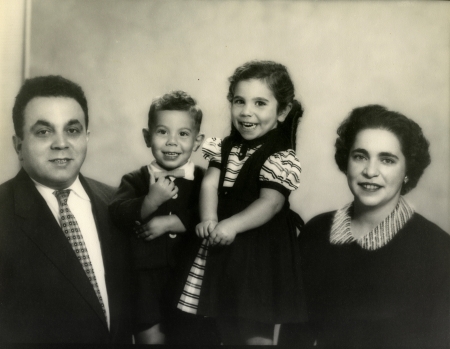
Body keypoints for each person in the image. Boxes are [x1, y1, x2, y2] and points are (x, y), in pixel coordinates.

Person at [177, 60, 307, 345]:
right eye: (239, 101)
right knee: (224, 320)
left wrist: (233, 225)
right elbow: (210, 182)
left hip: (257, 247)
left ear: (282, 111)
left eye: (260, 103)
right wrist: (209, 218)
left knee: (253, 326)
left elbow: (270, 203)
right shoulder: (224, 147)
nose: (247, 112)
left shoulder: (280, 157)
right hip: (225, 244)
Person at [299, 105, 450, 348]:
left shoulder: (438, 249)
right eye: (360, 156)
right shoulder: (315, 232)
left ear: (407, 171)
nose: (370, 171)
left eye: (387, 160)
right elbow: (296, 334)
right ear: (346, 162)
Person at [0, 75, 132, 344]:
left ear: (87, 137)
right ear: (18, 145)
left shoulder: (117, 203)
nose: (61, 143)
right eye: (43, 131)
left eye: (72, 130)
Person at [109, 91, 215, 345]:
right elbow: (117, 213)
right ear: (147, 137)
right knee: (151, 339)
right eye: (162, 132)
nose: (171, 142)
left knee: (190, 338)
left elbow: (214, 215)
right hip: (145, 282)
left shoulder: (205, 181)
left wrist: (172, 222)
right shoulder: (135, 179)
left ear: (197, 141)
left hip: (189, 277)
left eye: (183, 134)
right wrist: (149, 202)